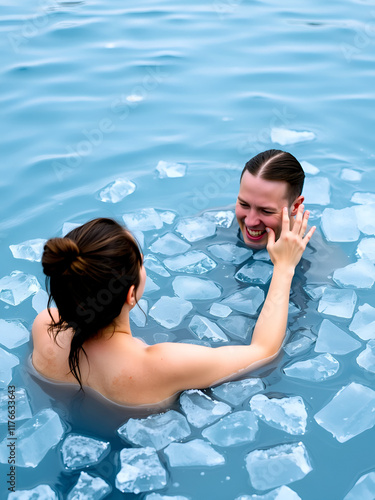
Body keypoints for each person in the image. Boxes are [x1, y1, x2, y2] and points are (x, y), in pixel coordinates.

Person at [32, 212, 315, 407]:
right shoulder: (160, 366)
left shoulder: (45, 327)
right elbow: (264, 351)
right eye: (141, 263)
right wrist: (285, 268)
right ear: (131, 294)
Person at [236, 149, 305, 250]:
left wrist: (284, 265)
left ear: (295, 206)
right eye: (244, 204)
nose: (250, 222)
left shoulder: (319, 256)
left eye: (266, 211)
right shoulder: (217, 225)